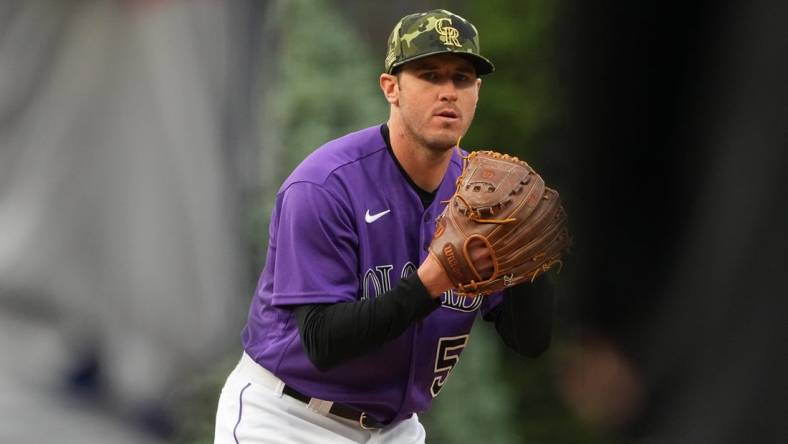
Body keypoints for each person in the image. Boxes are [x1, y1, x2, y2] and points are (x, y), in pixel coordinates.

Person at [214, 9, 555, 444]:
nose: (448, 92)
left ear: (477, 91)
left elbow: (529, 340)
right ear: (390, 87)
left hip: (395, 430)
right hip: (289, 417)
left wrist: (529, 258)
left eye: (462, 78)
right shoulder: (324, 185)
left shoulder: (485, 194)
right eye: (430, 75)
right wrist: (433, 280)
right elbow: (323, 342)